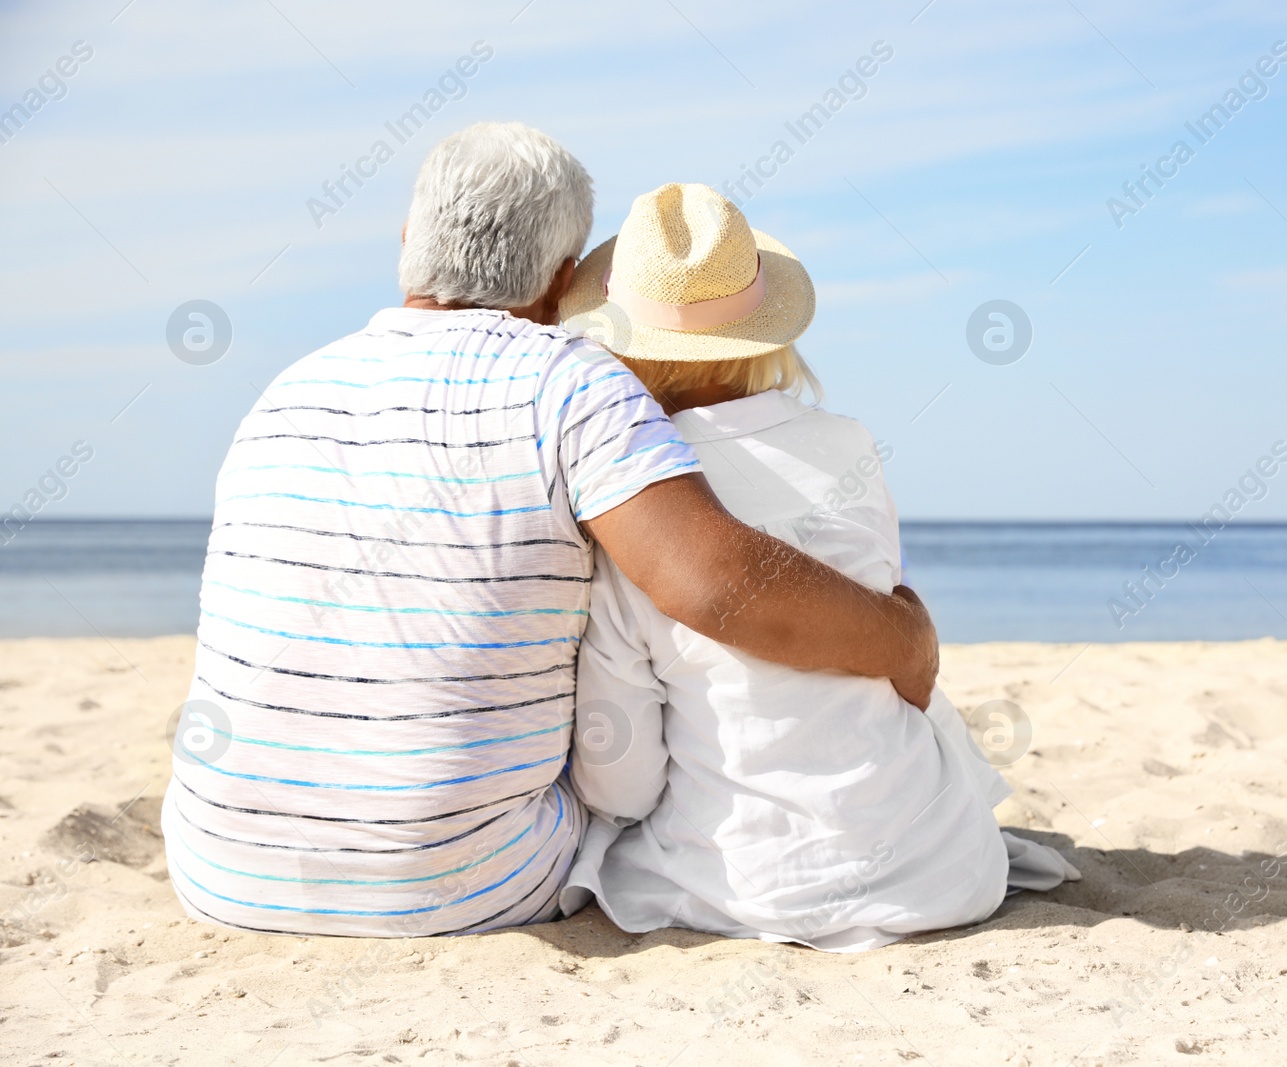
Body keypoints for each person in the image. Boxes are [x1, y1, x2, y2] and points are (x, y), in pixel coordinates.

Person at [160, 124, 940, 938]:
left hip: (219, 867)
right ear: (564, 279)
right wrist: (902, 640)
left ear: (406, 244)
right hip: (461, 884)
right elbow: (714, 582)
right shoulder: (566, 384)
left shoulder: (286, 392)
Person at [558, 183, 1077, 952]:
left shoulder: (642, 501)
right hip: (941, 871)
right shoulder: (849, 445)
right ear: (766, 330)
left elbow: (621, 778)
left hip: (759, 885)